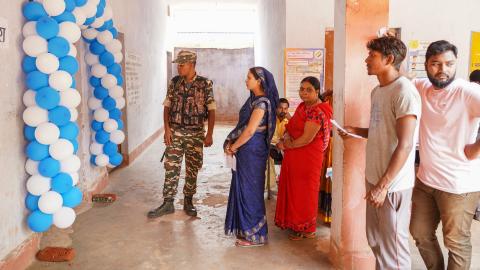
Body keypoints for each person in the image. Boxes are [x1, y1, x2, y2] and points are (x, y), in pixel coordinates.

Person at [339, 36, 420, 269]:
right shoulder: (378, 91)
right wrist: (357, 131)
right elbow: (381, 130)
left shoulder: (404, 91)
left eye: (372, 56)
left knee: (393, 249)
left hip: (391, 185)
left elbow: (405, 144)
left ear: (389, 59)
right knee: (375, 241)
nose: (366, 60)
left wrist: (383, 186)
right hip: (374, 178)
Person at [410, 40, 480, 270]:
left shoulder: (467, 92)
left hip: (459, 184)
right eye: (435, 64)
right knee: (419, 233)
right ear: (426, 65)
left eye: (449, 64)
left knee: (456, 241)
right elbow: (398, 76)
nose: (443, 70)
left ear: (456, 64)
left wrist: (475, 148)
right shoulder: (421, 87)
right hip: (426, 179)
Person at [148, 50, 216, 218]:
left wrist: (209, 134)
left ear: (191, 65)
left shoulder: (205, 84)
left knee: (192, 168)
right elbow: (167, 106)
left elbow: (212, 110)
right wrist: (167, 129)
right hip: (176, 132)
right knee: (171, 166)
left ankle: (188, 201)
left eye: (181, 65)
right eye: (178, 65)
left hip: (196, 133)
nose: (178, 68)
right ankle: (168, 202)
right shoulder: (175, 82)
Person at [224, 67, 279, 247]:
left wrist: (233, 146)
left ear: (259, 81)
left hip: (252, 151)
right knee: (244, 188)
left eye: (249, 78)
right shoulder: (254, 100)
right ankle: (246, 229)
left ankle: (255, 234)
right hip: (247, 151)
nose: (245, 81)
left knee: (251, 191)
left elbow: (249, 131)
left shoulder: (261, 104)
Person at [275, 76, 333, 241]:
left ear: (317, 92)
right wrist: (285, 136)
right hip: (295, 155)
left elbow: (307, 138)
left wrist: (286, 145)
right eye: (302, 89)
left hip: (308, 157)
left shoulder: (317, 111)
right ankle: (294, 223)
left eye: (308, 90)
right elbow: (292, 125)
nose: (304, 93)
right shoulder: (302, 106)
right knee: (294, 189)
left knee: (306, 192)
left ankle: (307, 228)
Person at [266, 98, 290, 190]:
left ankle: (283, 180)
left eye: (285, 108)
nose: (283, 111)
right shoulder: (270, 120)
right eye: (280, 108)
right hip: (272, 147)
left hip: (283, 148)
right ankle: (272, 181)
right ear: (276, 108)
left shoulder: (289, 121)